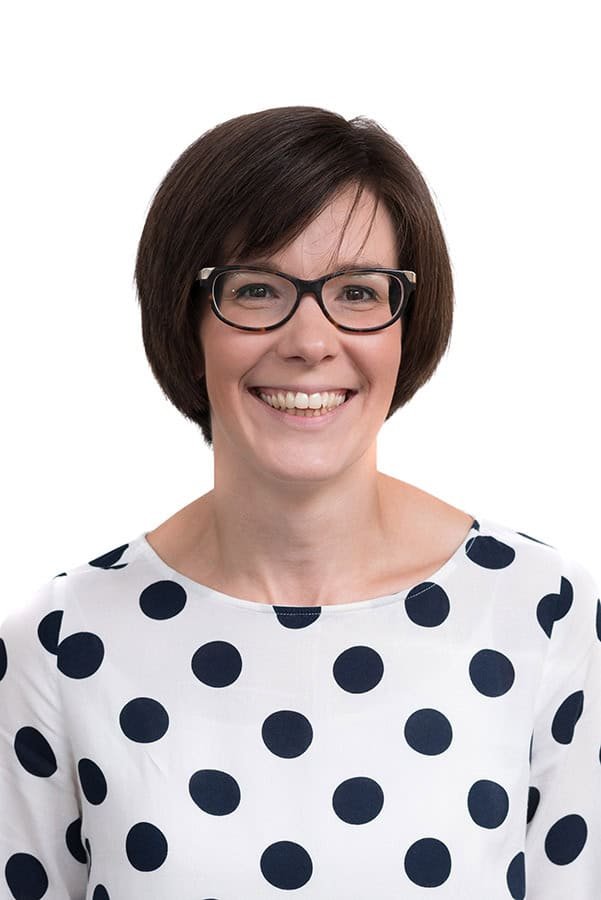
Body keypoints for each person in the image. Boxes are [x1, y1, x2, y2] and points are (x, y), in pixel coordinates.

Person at [1, 105, 599, 899]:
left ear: (405, 326)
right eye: (255, 290)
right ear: (185, 319)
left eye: (356, 292)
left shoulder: (541, 613)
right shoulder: (59, 641)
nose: (311, 341)